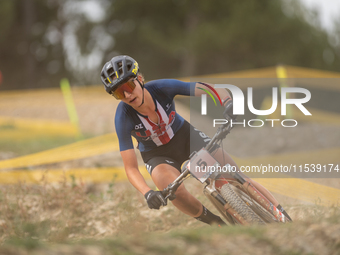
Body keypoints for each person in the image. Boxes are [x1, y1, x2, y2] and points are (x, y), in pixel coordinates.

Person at [100, 55, 291, 226]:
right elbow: (131, 168)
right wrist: (147, 193)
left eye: (128, 86)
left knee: (233, 174)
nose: (127, 95)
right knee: (173, 191)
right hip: (157, 154)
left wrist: (228, 103)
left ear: (140, 79)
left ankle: (283, 216)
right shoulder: (122, 117)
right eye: (118, 93)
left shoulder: (161, 88)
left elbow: (210, 89)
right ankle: (216, 224)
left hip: (185, 136)